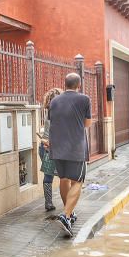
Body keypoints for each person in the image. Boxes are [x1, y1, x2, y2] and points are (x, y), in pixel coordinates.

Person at [48, 72, 92, 237]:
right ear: (78, 85)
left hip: (57, 148)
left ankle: (68, 213)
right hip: (75, 148)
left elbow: (52, 122)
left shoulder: (54, 100)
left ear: (65, 84)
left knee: (63, 179)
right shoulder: (84, 99)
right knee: (78, 181)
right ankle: (66, 216)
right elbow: (87, 124)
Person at [38, 87, 62, 211]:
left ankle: (48, 203)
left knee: (49, 175)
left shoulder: (49, 110)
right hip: (50, 146)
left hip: (44, 146)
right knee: (63, 176)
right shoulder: (56, 111)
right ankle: (67, 203)